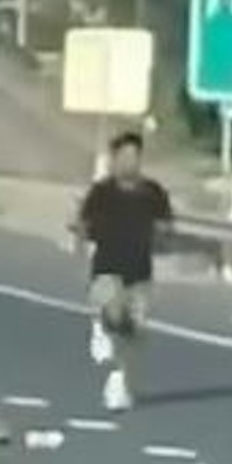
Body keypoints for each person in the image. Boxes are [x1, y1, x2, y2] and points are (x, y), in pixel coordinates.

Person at [71, 131, 174, 412]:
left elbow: (165, 224)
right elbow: (82, 223)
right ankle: (102, 331)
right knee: (113, 315)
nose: (130, 162)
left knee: (135, 331)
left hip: (140, 270)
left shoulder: (152, 192)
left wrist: (164, 240)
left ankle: (121, 379)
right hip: (105, 268)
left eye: (135, 156)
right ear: (115, 159)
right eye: (125, 156)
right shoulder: (102, 191)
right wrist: (79, 250)